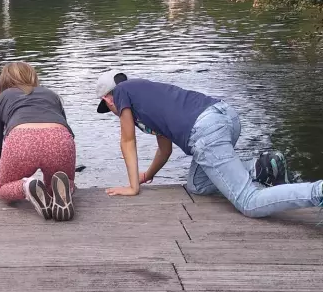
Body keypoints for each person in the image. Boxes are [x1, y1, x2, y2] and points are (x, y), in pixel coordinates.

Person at [94, 69, 323, 218]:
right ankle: (261, 167)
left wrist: (132, 188)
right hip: (225, 115)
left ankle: (317, 192)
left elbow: (127, 140)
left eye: (109, 108)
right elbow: (165, 149)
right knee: (197, 185)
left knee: (249, 202)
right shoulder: (146, 96)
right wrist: (145, 175)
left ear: (108, 98)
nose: (113, 113)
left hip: (206, 131)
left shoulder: (122, 92)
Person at [0, 62, 76, 221]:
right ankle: (64, 188)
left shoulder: (2, 98)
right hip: (59, 138)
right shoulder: (50, 94)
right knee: (63, 180)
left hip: (22, 140)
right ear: (33, 76)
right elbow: (66, 129)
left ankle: (27, 187)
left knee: (4, 189)